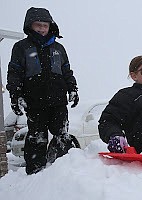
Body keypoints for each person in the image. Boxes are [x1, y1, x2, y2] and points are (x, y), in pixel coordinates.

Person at [6, 7, 79, 175]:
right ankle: (35, 174)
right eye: (38, 25)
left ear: (50, 26)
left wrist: (73, 88)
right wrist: (15, 96)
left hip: (58, 101)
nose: (41, 28)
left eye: (45, 25)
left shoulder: (58, 48)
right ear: (30, 26)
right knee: (37, 137)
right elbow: (14, 74)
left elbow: (66, 71)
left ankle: (63, 170)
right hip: (35, 102)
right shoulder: (21, 48)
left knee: (62, 135)